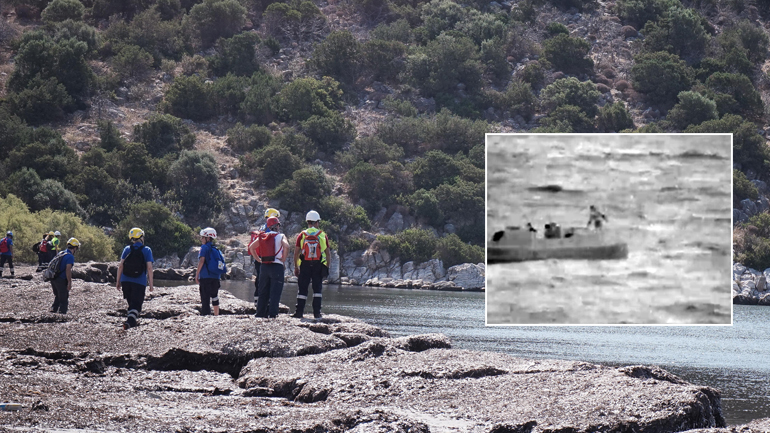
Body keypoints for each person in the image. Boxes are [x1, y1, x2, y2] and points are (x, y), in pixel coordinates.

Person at [292, 210, 331, 319]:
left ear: (308, 222)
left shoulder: (302, 235)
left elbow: (296, 253)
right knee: (317, 289)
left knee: (302, 289)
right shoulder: (322, 235)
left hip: (304, 264)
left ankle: (299, 312)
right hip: (318, 265)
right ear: (317, 222)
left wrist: (296, 266)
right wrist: (327, 267)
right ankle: (317, 313)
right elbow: (328, 253)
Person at [249, 217, 289, 318]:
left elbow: (251, 247)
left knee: (263, 291)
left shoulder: (263, 236)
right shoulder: (281, 236)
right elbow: (287, 246)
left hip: (264, 266)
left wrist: (258, 259)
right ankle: (272, 314)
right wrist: (283, 259)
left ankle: (260, 313)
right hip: (277, 266)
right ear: (277, 226)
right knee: (275, 291)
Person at [116, 228, 154, 330]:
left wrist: (118, 281)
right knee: (137, 305)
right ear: (141, 237)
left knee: (131, 303)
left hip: (126, 281)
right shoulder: (147, 250)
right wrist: (151, 284)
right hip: (139, 281)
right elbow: (149, 268)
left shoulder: (127, 249)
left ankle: (131, 320)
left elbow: (120, 266)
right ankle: (130, 322)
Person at [249, 208, 281, 309]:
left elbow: (253, 246)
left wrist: (257, 258)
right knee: (267, 281)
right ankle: (265, 305)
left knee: (259, 279)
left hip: (259, 257)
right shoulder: (269, 229)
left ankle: (257, 300)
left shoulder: (261, 228)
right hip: (267, 258)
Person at [196, 227, 222, 316]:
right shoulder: (217, 250)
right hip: (216, 277)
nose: (201, 239)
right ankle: (216, 315)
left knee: (205, 298)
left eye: (202, 237)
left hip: (205, 277)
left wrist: (197, 274)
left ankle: (205, 315)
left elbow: (201, 261)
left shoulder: (204, 247)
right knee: (215, 296)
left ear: (207, 238)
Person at [50, 238, 79, 314]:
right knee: (64, 298)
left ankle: (54, 309)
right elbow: (68, 269)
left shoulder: (61, 253)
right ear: (75, 248)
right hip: (61, 279)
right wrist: (69, 282)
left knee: (57, 295)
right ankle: (62, 314)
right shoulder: (70, 257)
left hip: (53, 278)